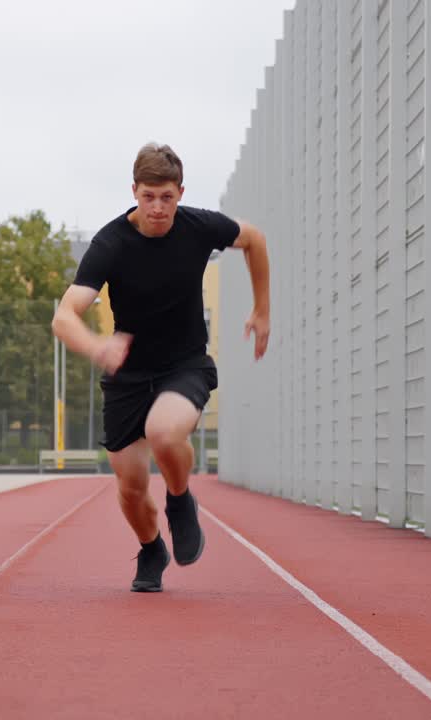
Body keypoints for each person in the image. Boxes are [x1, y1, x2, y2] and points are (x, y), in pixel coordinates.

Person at [51, 142, 271, 592]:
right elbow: (63, 316)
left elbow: (254, 239)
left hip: (183, 364)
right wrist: (97, 347)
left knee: (165, 432)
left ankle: (179, 499)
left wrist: (262, 308)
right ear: (134, 191)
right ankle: (151, 547)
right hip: (127, 375)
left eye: (166, 197)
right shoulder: (110, 243)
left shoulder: (199, 227)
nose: (157, 207)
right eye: (148, 196)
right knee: (131, 489)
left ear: (180, 193)